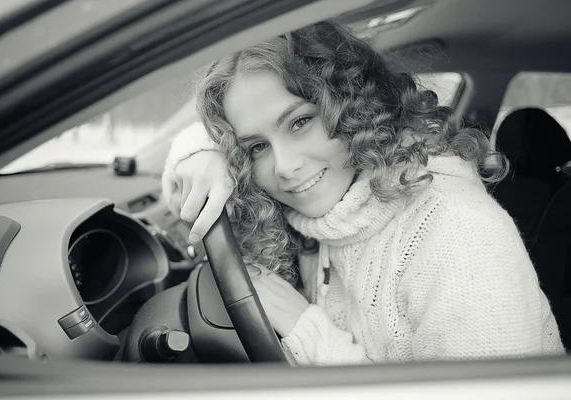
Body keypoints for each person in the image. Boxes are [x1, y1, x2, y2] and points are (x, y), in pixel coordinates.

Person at [162, 21, 565, 365]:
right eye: (256, 147)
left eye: (301, 122)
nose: (284, 167)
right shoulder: (328, 205)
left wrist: (307, 330)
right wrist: (198, 154)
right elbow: (221, 134)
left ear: (356, 105)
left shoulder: (459, 236)